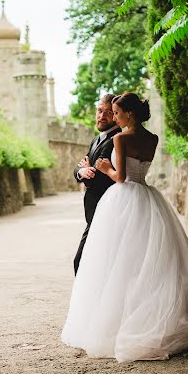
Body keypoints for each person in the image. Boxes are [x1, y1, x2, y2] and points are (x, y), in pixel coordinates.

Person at [62, 92, 188, 362]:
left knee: (117, 261)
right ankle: (146, 316)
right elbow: (139, 172)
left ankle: (116, 322)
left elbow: (121, 177)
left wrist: (104, 167)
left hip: (123, 198)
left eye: (116, 113)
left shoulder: (120, 138)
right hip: (148, 197)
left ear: (128, 113)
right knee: (147, 261)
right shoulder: (152, 138)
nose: (113, 118)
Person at [73, 94, 120, 275]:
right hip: (94, 210)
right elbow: (80, 166)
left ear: (116, 115)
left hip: (106, 208)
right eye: (100, 111)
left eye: (108, 113)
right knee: (91, 262)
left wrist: (88, 172)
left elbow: (103, 176)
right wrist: (81, 171)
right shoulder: (97, 139)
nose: (102, 116)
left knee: (82, 260)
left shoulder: (117, 139)